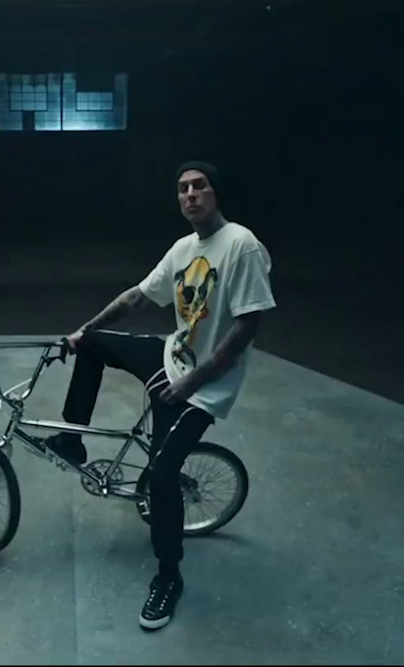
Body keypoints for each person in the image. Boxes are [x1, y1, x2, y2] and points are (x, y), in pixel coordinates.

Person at [41, 160, 276, 631]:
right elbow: (137, 298)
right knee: (92, 343)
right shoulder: (184, 248)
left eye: (200, 186)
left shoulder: (242, 246)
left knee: (163, 474)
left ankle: (169, 577)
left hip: (204, 387)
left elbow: (249, 325)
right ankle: (71, 440)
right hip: (173, 356)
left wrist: (191, 383)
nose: (190, 195)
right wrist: (85, 329)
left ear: (216, 193)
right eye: (183, 189)